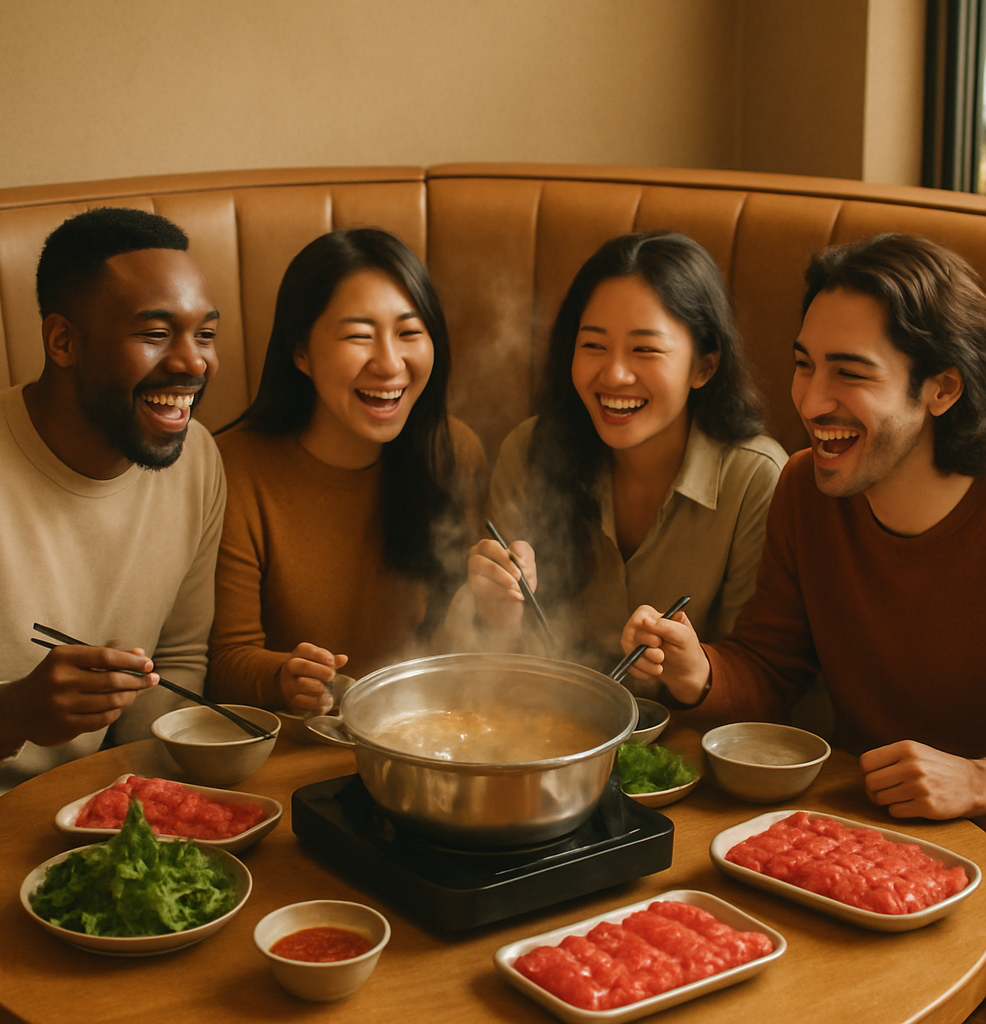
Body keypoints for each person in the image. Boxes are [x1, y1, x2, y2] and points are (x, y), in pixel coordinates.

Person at [623, 233, 986, 823]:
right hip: (859, 831)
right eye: (804, 364)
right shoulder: (805, 488)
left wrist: (974, 781)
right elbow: (772, 665)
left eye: (850, 373)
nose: (811, 401)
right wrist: (698, 669)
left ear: (941, 388)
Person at [0, 207, 226, 820]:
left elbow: (180, 658)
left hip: (97, 814)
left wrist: (129, 808)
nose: (193, 363)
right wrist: (9, 713)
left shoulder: (197, 461)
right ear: (64, 341)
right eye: (155, 333)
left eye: (205, 334)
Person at [467, 231, 786, 675]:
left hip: (686, 738)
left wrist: (690, 663)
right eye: (593, 345)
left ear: (703, 366)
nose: (614, 374)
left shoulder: (755, 478)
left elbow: (756, 670)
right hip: (548, 727)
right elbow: (494, 671)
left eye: (645, 349)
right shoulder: (530, 451)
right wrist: (496, 613)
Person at [206, 227, 486, 715]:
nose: (389, 362)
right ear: (301, 353)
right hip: (292, 747)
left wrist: (498, 600)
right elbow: (225, 660)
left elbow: (461, 643)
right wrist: (283, 677)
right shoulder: (234, 469)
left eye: (409, 332)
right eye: (359, 336)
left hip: (428, 730)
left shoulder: (453, 452)